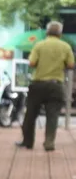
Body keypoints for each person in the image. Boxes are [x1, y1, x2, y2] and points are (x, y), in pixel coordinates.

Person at [18, 20, 74, 151]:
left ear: (47, 32)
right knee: (52, 116)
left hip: (38, 84)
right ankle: (49, 143)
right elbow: (71, 65)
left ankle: (28, 142)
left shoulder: (39, 45)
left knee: (30, 114)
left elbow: (31, 63)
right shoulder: (66, 47)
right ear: (60, 33)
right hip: (56, 85)